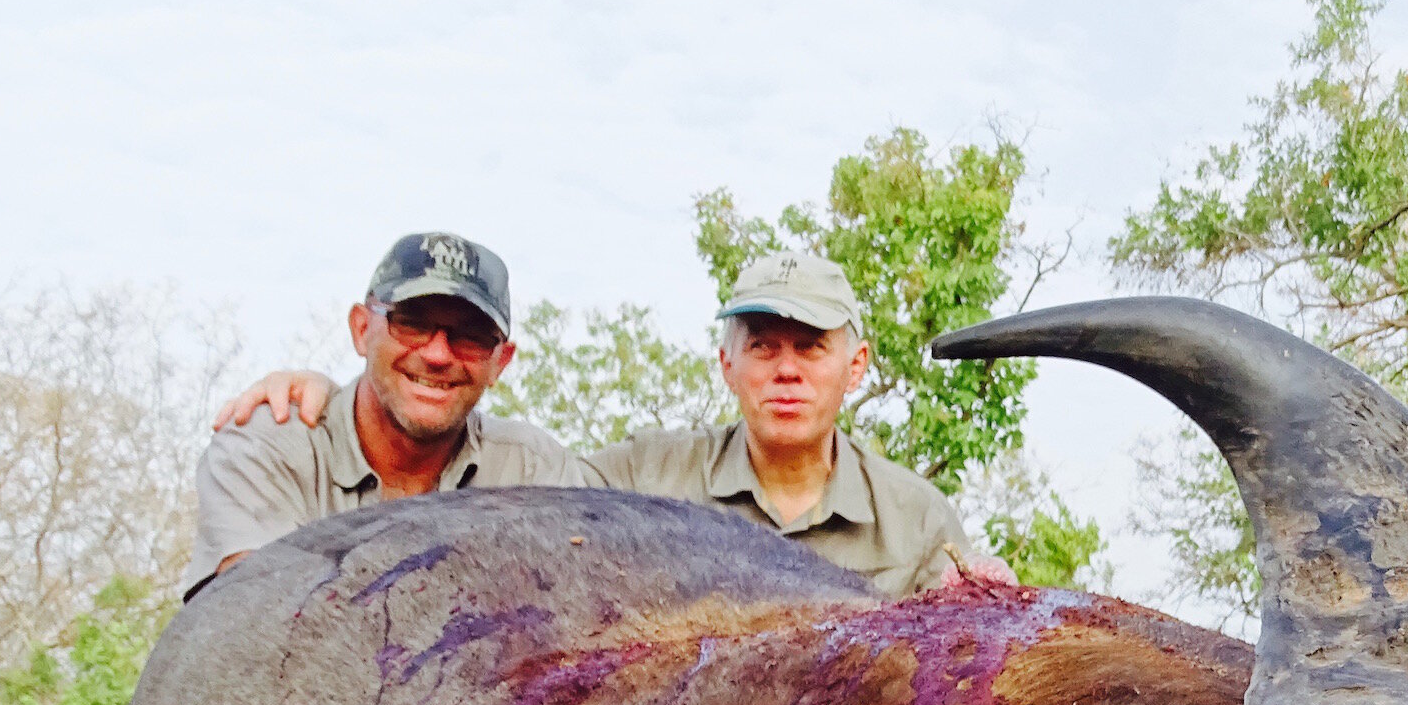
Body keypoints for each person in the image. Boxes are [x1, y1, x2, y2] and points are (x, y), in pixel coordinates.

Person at [215, 249, 1004, 599]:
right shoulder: (633, 480)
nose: (786, 370)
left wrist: (989, 600)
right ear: (726, 364)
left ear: (856, 365)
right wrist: (331, 384)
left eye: (810, 347)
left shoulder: (918, 518)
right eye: (762, 346)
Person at [182, 232, 584, 601]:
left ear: (501, 362)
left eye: (471, 337)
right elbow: (253, 626)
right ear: (361, 329)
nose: (438, 354)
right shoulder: (267, 446)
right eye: (410, 323)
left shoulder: (536, 472)